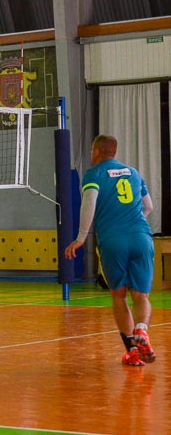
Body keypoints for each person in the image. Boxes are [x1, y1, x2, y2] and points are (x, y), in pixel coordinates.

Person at [65, 135, 155, 367]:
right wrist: (133, 223)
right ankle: (142, 331)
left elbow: (89, 203)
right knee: (142, 297)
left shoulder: (94, 174)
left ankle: (132, 352)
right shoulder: (134, 172)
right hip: (142, 237)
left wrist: (80, 238)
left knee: (119, 295)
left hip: (113, 240)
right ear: (114, 152)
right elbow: (149, 207)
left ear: (96, 151)